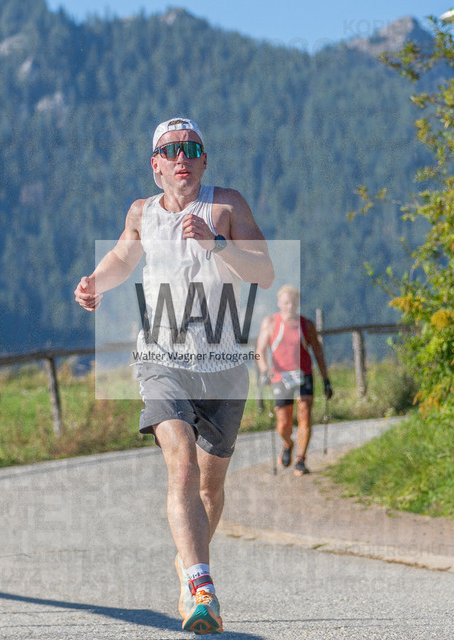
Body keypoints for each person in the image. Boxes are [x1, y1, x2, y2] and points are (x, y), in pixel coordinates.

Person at [74, 117, 273, 634]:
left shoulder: (226, 206)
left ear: (204, 160)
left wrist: (217, 244)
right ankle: (203, 588)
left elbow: (265, 271)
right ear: (156, 165)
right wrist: (95, 282)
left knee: (209, 487)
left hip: (224, 363)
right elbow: (123, 256)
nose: (182, 157)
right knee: (181, 465)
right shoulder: (141, 212)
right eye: (171, 149)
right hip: (161, 357)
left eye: (192, 148)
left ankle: (188, 566)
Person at [256, 285, 332, 476]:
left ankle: (300, 460)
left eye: (293, 302)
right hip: (280, 377)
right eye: (286, 302)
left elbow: (318, 352)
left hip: (303, 374)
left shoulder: (307, 325)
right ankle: (288, 443)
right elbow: (260, 352)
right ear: (279, 303)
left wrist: (326, 380)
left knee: (304, 413)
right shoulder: (270, 323)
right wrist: (265, 371)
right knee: (284, 423)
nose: (289, 306)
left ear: (297, 303)